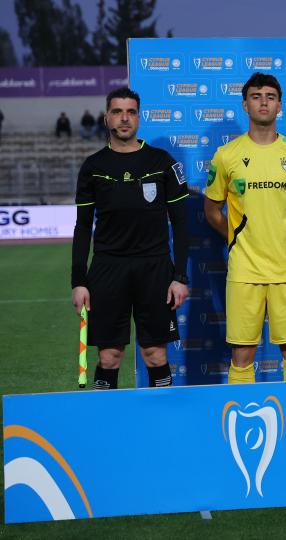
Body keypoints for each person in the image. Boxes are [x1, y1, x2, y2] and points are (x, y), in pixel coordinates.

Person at [71, 87, 189, 390]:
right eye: (117, 112)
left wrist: (180, 277)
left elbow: (181, 223)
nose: (124, 118)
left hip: (155, 268)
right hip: (108, 268)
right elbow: (82, 227)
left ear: (139, 117)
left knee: (155, 354)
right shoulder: (93, 166)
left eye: (131, 112)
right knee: (109, 356)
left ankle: (161, 416)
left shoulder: (162, 162)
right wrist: (78, 281)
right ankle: (103, 415)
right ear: (106, 118)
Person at [204, 73, 286, 384]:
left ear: (280, 105)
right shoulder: (226, 156)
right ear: (245, 104)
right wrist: (236, 237)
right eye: (256, 96)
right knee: (242, 355)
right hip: (245, 270)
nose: (263, 102)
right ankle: (238, 416)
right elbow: (212, 209)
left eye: (270, 96)